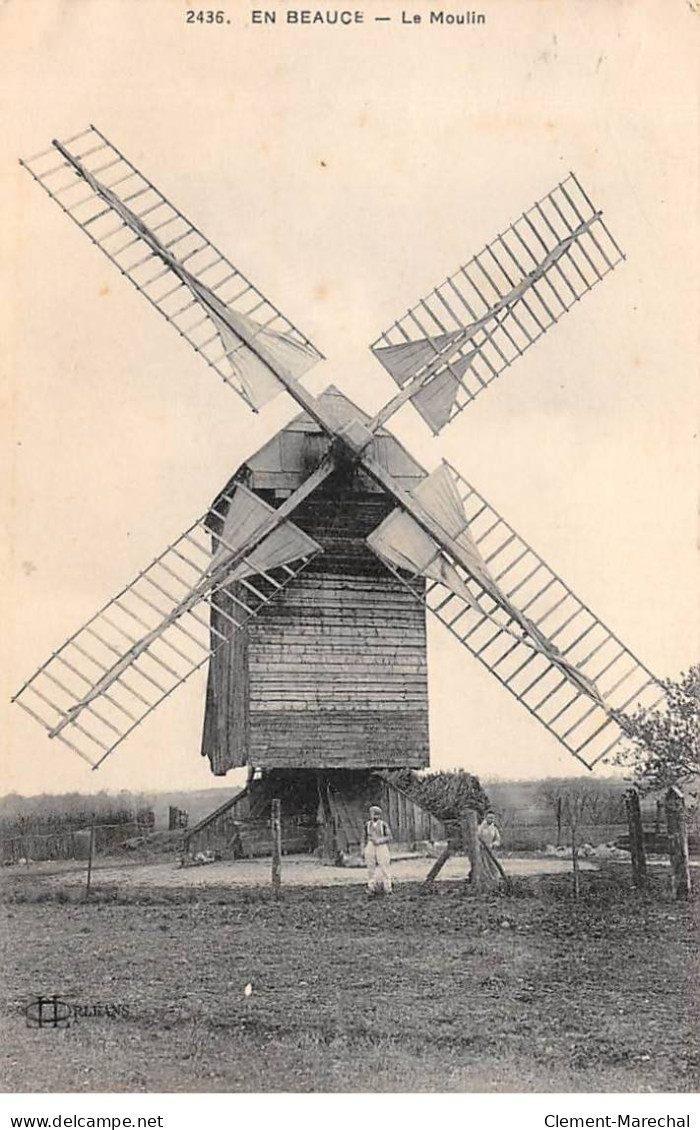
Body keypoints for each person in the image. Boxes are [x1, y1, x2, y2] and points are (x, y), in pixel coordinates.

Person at [364, 805, 393, 895]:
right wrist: (363, 847)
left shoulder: (383, 824)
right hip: (371, 844)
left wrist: (380, 840)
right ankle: (371, 887)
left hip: (381, 846)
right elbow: (364, 836)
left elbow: (389, 837)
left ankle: (387, 888)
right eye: (372, 814)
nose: (374, 816)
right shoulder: (367, 824)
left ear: (379, 815)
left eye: (376, 814)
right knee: (370, 866)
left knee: (384, 865)